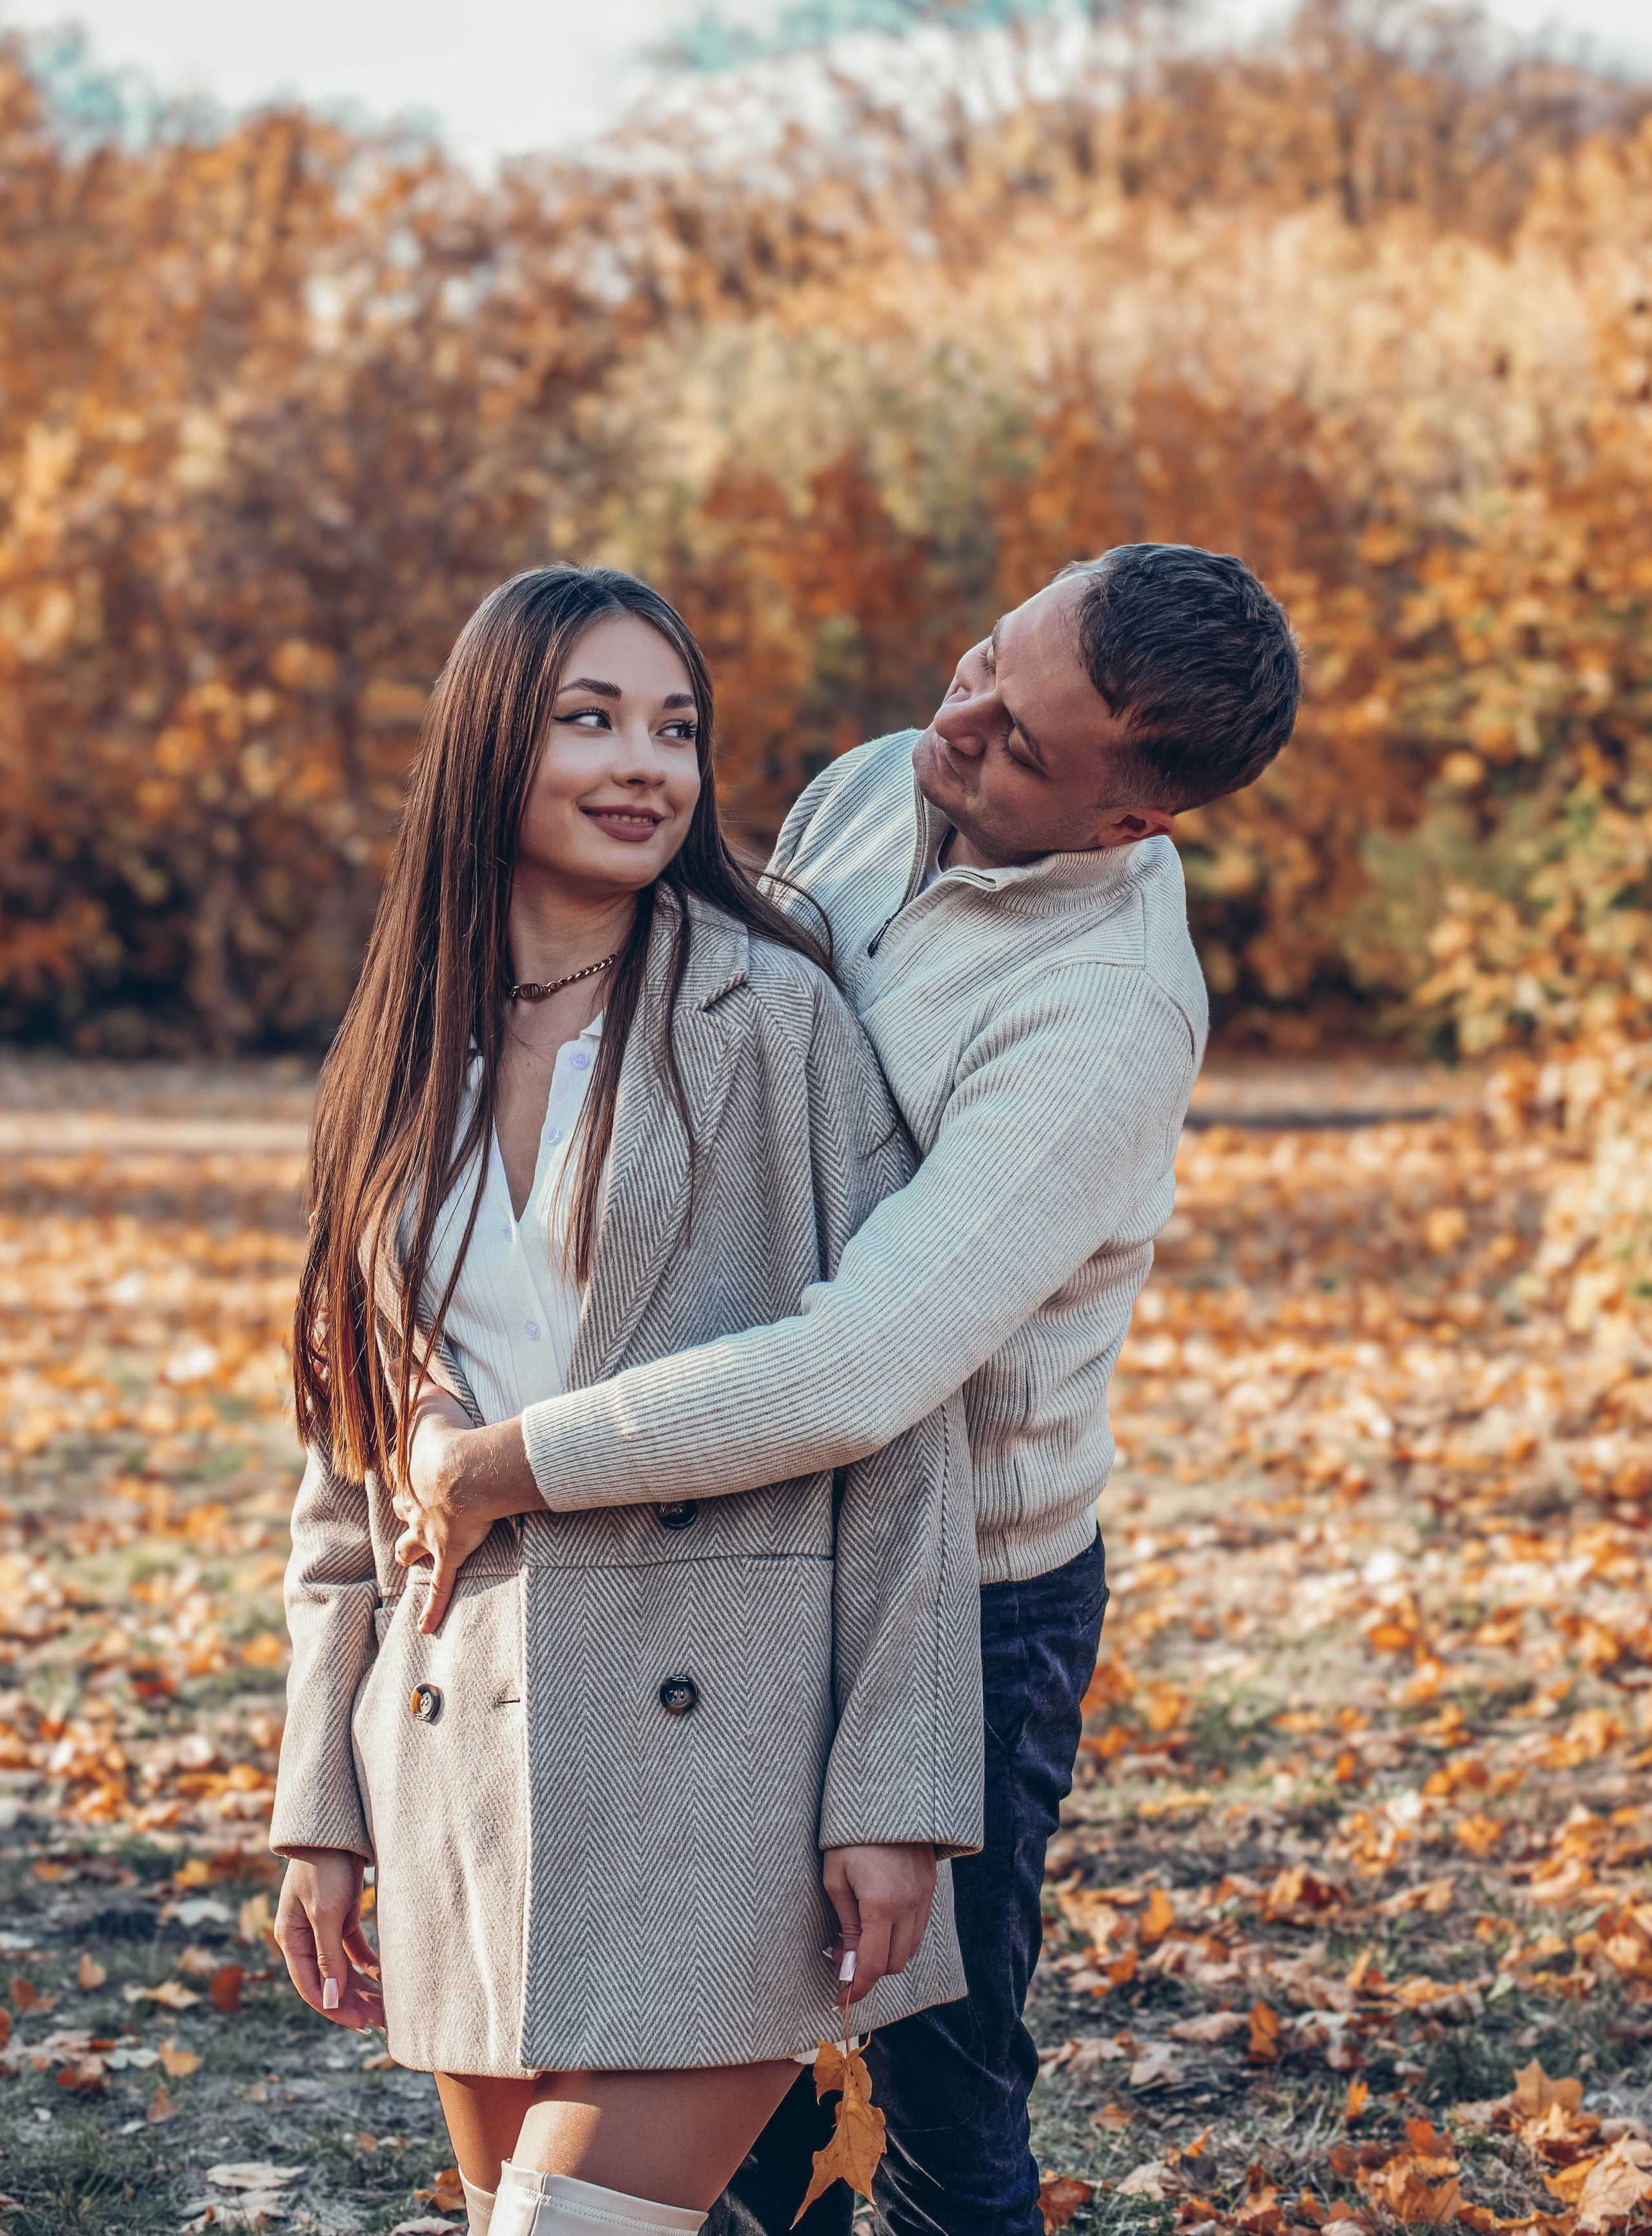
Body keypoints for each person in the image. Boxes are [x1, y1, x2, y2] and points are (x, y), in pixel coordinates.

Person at [393, 544, 1303, 2235]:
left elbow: (861, 1365)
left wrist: (501, 1463)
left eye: (1020, 745)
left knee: (933, 2071)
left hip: (961, 1577)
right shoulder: (884, 781)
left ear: (1131, 823)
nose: (954, 727)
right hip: (703, 1530)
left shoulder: (1102, 1013)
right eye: (979, 666)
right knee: (691, 2030)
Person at [268, 565, 983, 2236]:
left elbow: (889, 1412)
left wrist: (897, 1793)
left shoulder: (774, 1022)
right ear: (488, 746)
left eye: (675, 726)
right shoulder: (393, 1052)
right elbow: (342, 1462)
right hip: (463, 1759)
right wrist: (320, 1798)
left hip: (725, 1763)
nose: (643, 763)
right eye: (590, 719)